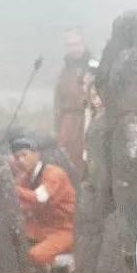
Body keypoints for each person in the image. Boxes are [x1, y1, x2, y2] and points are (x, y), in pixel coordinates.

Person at [11, 137, 75, 268]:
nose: (20, 160)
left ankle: (72, 261)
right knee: (12, 246)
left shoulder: (54, 173)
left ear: (36, 154)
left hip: (64, 230)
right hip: (42, 228)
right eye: (17, 157)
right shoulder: (25, 178)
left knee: (35, 256)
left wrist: (12, 188)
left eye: (24, 155)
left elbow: (39, 198)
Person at [54, 29, 91, 173]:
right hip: (68, 123)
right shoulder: (63, 72)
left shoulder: (95, 67)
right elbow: (57, 103)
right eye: (70, 45)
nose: (74, 48)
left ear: (84, 44)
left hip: (88, 120)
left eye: (77, 44)